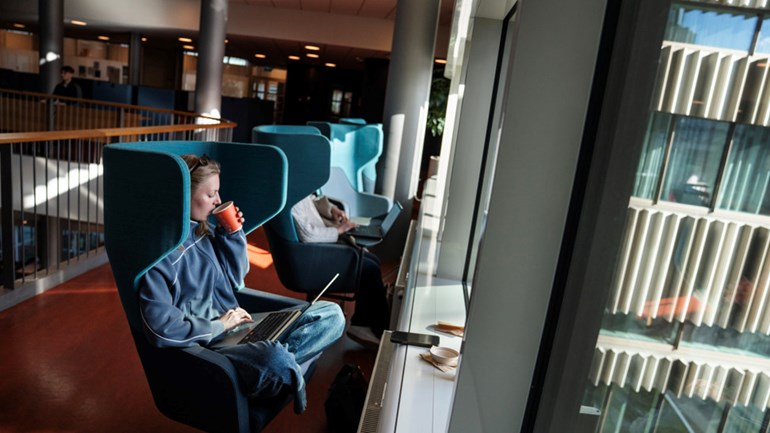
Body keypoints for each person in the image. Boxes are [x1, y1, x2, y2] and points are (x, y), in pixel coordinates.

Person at [138, 154, 345, 414]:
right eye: (210, 194)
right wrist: (219, 325)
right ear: (183, 196)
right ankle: (286, 369)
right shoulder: (159, 258)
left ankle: (283, 372)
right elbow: (160, 330)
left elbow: (236, 279)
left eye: (218, 192)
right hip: (214, 345)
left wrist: (233, 235)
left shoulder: (207, 234)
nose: (217, 201)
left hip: (244, 328)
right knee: (272, 356)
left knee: (331, 314)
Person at [291, 194, 390, 350]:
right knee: (369, 268)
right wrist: (339, 230)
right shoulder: (290, 195)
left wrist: (332, 209)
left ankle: (366, 322)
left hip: (323, 246)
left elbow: (312, 200)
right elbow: (308, 234)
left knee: (372, 261)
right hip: (314, 256)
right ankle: (368, 326)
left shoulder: (298, 184)